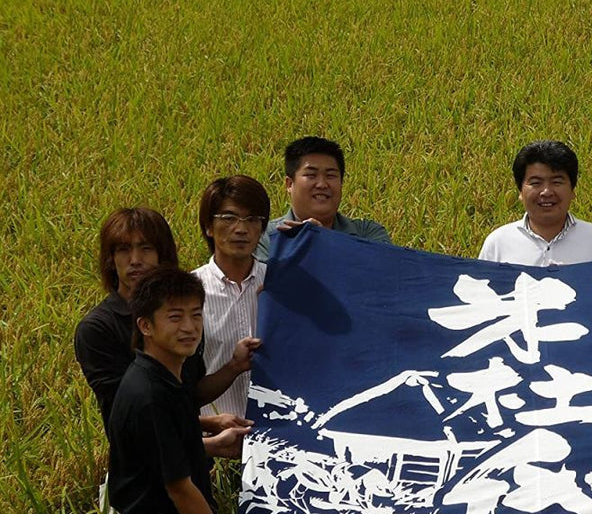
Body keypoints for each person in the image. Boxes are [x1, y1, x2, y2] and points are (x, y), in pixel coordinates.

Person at [108, 267, 261, 514]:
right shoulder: (148, 393)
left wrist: (208, 426)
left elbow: (173, 430)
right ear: (145, 326)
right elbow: (180, 487)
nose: (190, 327)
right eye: (175, 317)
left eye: (196, 315)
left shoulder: (166, 374)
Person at [74, 207, 259, 431]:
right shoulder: (98, 329)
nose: (135, 260)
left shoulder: (181, 317)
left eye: (146, 249)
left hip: (191, 460)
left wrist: (234, 366)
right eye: (124, 250)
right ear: (111, 260)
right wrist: (209, 442)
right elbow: (129, 415)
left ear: (163, 254)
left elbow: (189, 394)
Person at [194, 175, 272, 418]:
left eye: (252, 220)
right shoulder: (190, 293)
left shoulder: (279, 286)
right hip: (213, 439)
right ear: (208, 226)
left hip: (277, 439)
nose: (241, 228)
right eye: (229, 218)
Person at [478, 140, 592, 266]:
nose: (546, 192)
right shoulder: (498, 243)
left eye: (556, 182)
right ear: (520, 191)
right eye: (536, 183)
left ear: (572, 190)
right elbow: (482, 292)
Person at [255, 136, 390, 261]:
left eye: (330, 176)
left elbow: (382, 276)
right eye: (311, 175)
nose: (322, 184)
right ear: (289, 184)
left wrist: (325, 241)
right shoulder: (263, 237)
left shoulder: (368, 233)